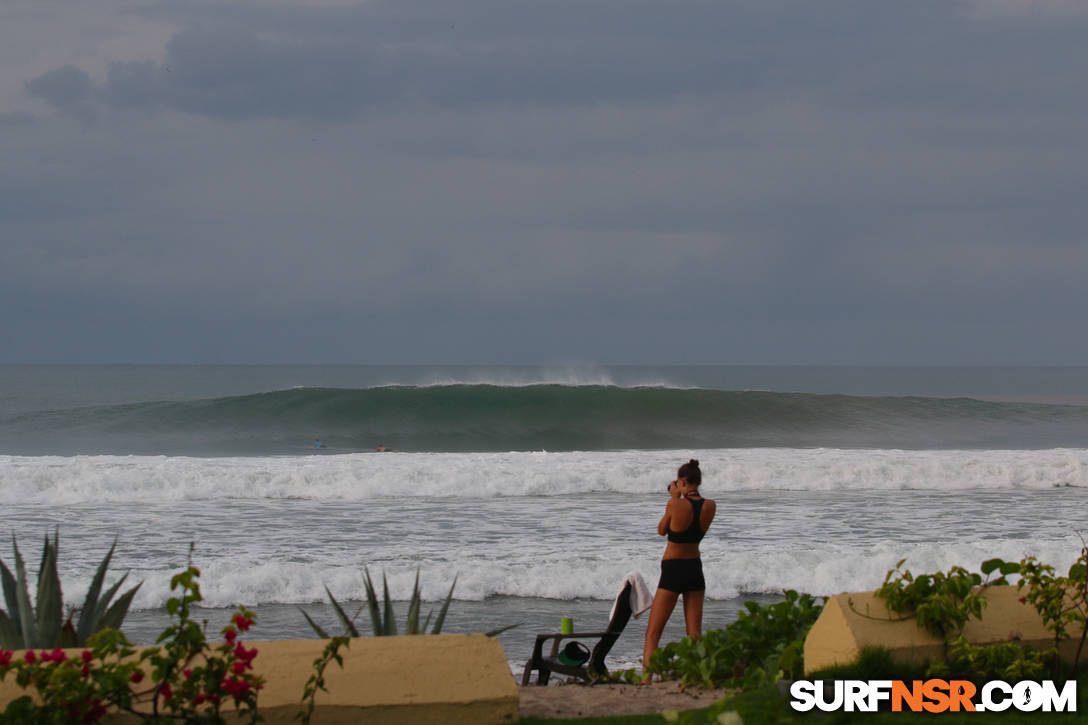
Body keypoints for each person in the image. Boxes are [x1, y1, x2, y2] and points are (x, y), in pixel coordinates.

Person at [643, 459, 716, 677]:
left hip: (673, 570)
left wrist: (674, 499)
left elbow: (662, 530)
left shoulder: (675, 504)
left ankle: (647, 678)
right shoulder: (710, 505)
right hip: (694, 568)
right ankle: (697, 676)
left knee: (653, 632)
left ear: (682, 481)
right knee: (694, 633)